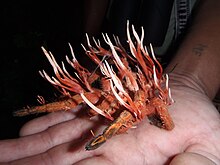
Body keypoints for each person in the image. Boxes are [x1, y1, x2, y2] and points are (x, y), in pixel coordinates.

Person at [0, 0, 220, 164]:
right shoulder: (113, 79)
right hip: (122, 40)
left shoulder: (146, 97)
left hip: (164, 60)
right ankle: (33, 109)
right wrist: (88, 40)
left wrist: (188, 82)